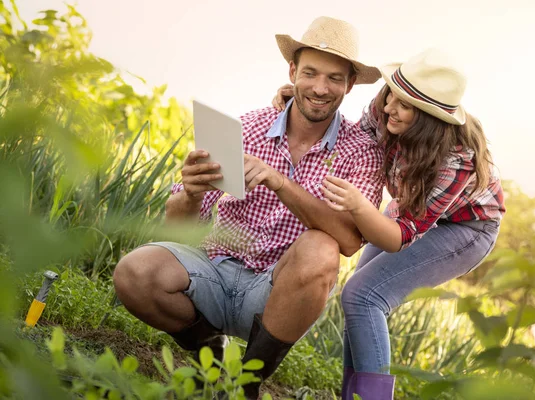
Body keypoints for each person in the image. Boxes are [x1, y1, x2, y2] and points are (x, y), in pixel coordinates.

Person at [112, 16, 384, 399]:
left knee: (321, 249)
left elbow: (349, 241)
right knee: (134, 272)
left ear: (350, 84)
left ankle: (246, 387)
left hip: (277, 293)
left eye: (335, 78)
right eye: (310, 73)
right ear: (292, 71)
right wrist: (189, 193)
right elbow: (177, 230)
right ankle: (214, 360)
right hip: (215, 274)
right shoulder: (245, 129)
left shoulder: (360, 151)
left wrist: (281, 182)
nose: (321, 88)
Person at [273, 48, 505, 399]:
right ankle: (352, 395)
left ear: (429, 119)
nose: (388, 109)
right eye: (390, 96)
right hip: (409, 210)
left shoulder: (456, 159)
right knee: (358, 295)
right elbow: (354, 138)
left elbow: (401, 236)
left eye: (404, 106)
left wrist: (357, 205)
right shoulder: (384, 110)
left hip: (466, 229)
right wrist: (299, 110)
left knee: (365, 295)